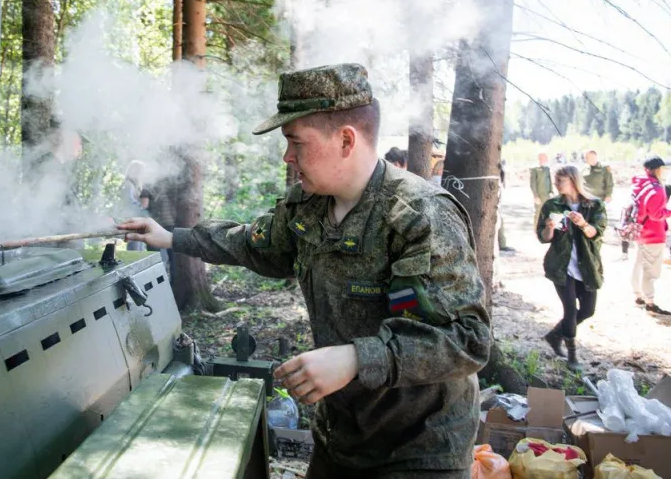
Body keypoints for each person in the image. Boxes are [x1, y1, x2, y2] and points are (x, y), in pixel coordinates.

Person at [119, 63, 491, 477]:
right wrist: (171, 237)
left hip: (419, 451)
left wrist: (355, 359)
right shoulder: (308, 207)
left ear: (346, 140)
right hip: (340, 438)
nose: (287, 157)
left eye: (296, 142)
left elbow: (466, 340)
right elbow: (250, 243)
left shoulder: (420, 216)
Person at [536, 165, 607, 372]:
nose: (557, 184)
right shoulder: (551, 205)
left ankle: (555, 335)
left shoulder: (594, 205)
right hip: (561, 266)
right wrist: (549, 228)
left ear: (574, 181)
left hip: (587, 267)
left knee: (587, 310)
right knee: (569, 310)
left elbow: (597, 232)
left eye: (561, 180)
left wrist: (584, 224)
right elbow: (543, 237)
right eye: (556, 180)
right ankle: (572, 356)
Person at [630, 156, 671, 315]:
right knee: (651, 270)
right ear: (657, 169)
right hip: (653, 234)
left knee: (638, 264)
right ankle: (650, 304)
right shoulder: (657, 188)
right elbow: (655, 214)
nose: (664, 170)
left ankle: (638, 296)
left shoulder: (640, 183)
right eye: (662, 167)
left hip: (639, 231)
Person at [121, 161, 148, 251]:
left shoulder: (134, 185)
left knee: (139, 246)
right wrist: (141, 206)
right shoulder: (128, 185)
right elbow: (130, 202)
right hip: (133, 218)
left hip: (137, 218)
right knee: (135, 247)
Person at [530, 152, 553, 227]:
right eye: (542, 157)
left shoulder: (547, 169)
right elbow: (532, 183)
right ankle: (536, 229)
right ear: (539, 158)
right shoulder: (535, 169)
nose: (544, 159)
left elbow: (550, 181)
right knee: (538, 213)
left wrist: (551, 192)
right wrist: (535, 196)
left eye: (545, 157)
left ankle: (546, 229)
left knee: (548, 212)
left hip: (547, 195)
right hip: (539, 195)